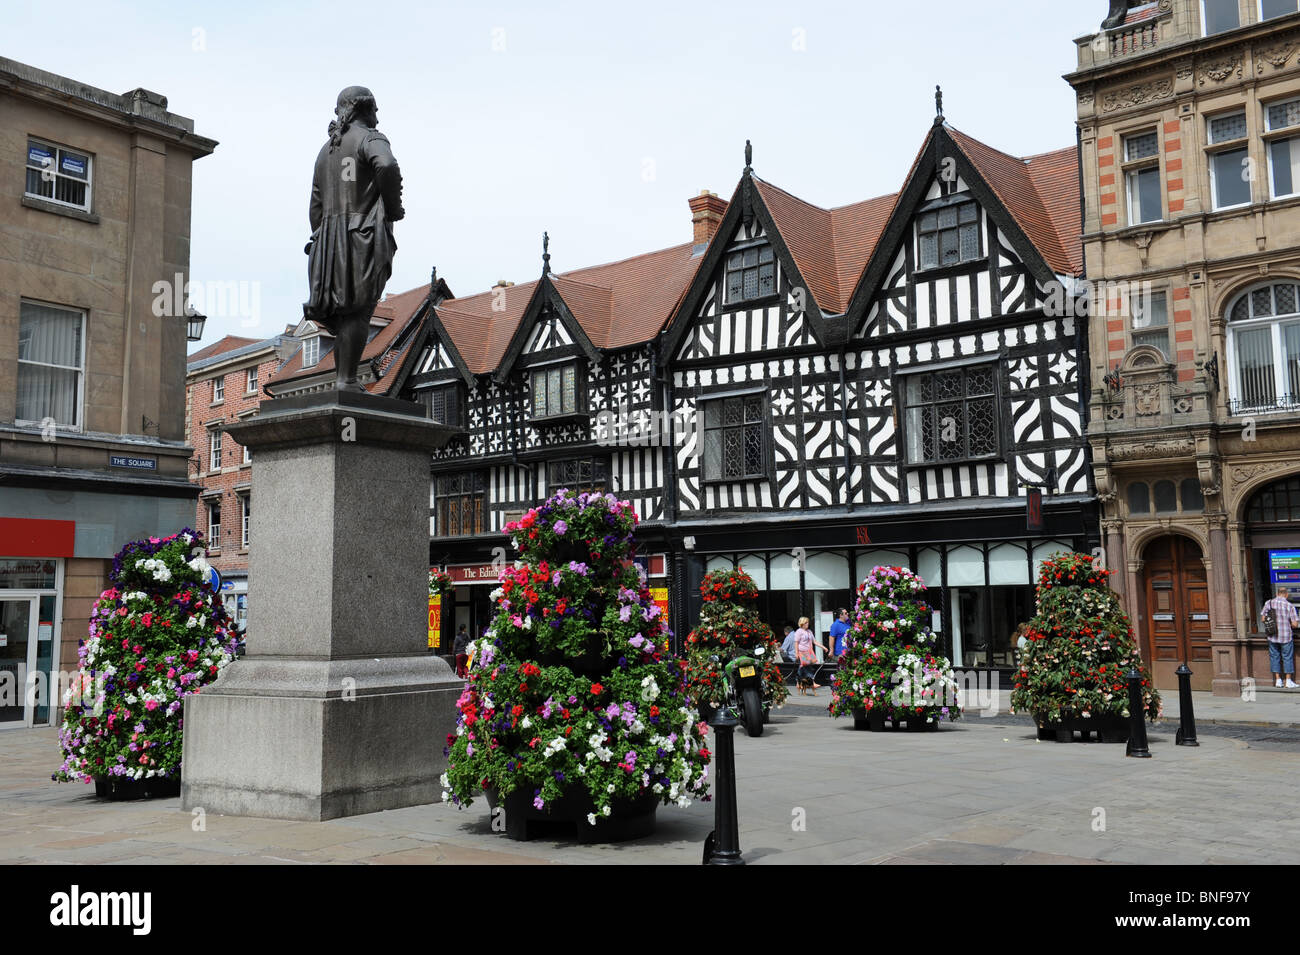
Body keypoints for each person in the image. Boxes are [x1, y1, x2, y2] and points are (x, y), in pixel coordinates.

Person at [303, 86, 405, 392]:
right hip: (362, 235)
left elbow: (315, 205)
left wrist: (322, 238)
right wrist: (394, 208)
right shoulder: (370, 138)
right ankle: (346, 380)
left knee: (344, 309)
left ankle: (341, 379)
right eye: (376, 108)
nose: (378, 115)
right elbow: (387, 166)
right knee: (359, 308)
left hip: (328, 242)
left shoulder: (325, 151)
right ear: (366, 109)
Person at [1262, 586, 1300, 689]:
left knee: (1274, 657)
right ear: (1286, 594)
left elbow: (1263, 619)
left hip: (1272, 635)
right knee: (1287, 657)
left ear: (1277, 594)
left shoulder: (1268, 603)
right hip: (1285, 636)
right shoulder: (1289, 605)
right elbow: (1295, 624)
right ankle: (1288, 681)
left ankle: (1278, 680)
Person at [793, 616, 829, 696]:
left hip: (809, 652)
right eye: (806, 623)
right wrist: (796, 653)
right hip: (802, 651)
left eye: (808, 622)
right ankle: (812, 682)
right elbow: (796, 643)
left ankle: (798, 682)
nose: (807, 624)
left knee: (804, 666)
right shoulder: (799, 632)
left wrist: (823, 647)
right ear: (802, 623)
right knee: (806, 666)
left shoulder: (809, 631)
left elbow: (814, 641)